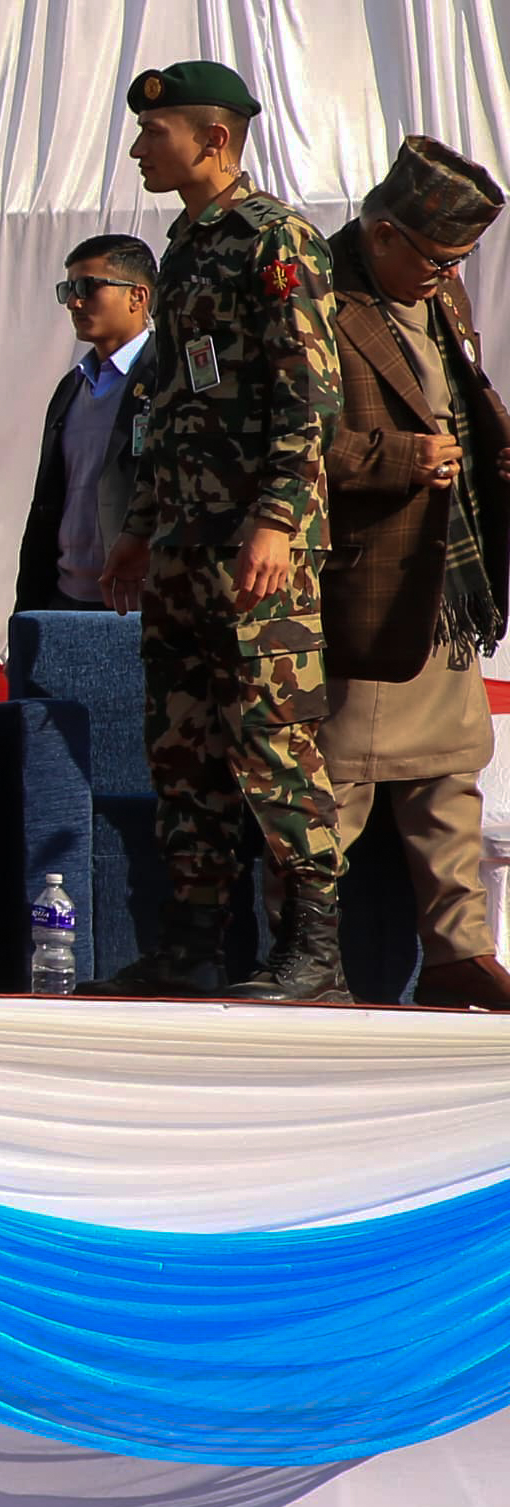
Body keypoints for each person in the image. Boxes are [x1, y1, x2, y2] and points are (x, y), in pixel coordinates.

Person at [95, 60, 346, 999]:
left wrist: (277, 520)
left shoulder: (275, 239)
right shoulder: (186, 246)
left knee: (275, 742)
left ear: (214, 138)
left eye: (154, 133)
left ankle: (315, 951)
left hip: (255, 549)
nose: (138, 148)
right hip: (184, 543)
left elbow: (309, 396)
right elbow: (168, 400)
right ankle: (195, 945)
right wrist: (140, 524)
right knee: (185, 745)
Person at [318, 139, 510, 1011]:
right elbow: (277, 446)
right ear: (383, 233)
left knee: (451, 772)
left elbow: (459, 400)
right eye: (436, 258)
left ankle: (460, 952)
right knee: (339, 778)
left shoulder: (439, 293)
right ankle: (308, 956)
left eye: (459, 260)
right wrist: (397, 457)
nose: (448, 276)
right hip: (365, 580)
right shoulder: (317, 299)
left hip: (446, 580)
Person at [13, 235, 155, 612]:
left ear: (137, 296)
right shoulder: (73, 386)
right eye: (69, 290)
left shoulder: (169, 378)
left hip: (140, 600)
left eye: (87, 288)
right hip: (66, 596)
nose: (74, 302)